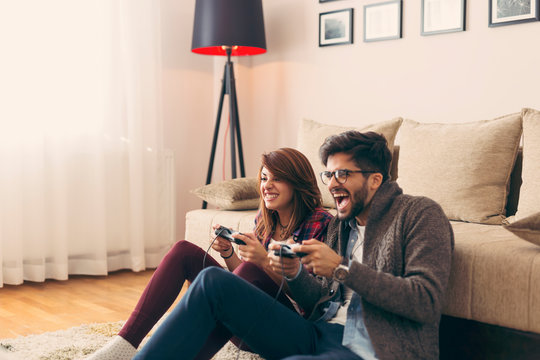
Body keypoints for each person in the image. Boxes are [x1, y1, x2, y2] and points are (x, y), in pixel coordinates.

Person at [133, 131, 454, 360]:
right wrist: (293, 273)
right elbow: (316, 303)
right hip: (315, 334)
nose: (331, 183)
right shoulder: (341, 226)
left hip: (369, 348)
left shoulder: (419, 214)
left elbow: (424, 302)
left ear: (375, 180)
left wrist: (343, 269)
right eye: (328, 174)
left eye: (343, 173)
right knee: (210, 281)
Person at [88, 147, 332, 360]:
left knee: (250, 268)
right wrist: (229, 255)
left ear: (297, 181)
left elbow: (313, 301)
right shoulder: (266, 220)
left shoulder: (322, 224)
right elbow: (246, 279)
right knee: (183, 251)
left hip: (285, 331)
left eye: (277, 179)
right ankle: (125, 343)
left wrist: (262, 262)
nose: (266, 186)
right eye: (264, 177)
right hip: (244, 318)